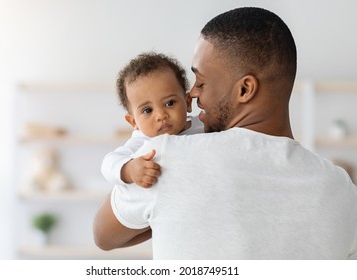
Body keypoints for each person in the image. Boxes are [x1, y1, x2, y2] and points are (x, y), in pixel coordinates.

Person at [93, 7, 357, 259]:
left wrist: (172, 211)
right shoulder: (342, 189)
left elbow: (102, 235)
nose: (193, 94)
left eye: (201, 82)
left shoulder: (164, 159)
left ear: (245, 90)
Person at [101, 52, 203, 189]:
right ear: (133, 122)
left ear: (188, 102)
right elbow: (108, 164)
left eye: (170, 103)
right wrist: (130, 170)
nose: (161, 115)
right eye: (147, 110)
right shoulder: (141, 142)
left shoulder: (203, 126)